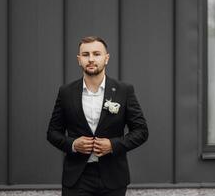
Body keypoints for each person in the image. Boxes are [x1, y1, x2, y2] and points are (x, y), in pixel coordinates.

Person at [47, 36, 149, 196]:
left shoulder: (124, 90)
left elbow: (141, 131)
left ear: (106, 58)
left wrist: (113, 145)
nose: (91, 59)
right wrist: (73, 144)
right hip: (77, 178)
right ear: (79, 60)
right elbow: (52, 133)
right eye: (86, 54)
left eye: (96, 54)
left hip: (113, 177)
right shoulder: (66, 92)